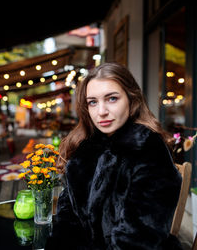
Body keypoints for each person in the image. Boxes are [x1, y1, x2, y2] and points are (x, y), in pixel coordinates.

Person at [46, 62, 183, 249]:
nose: (101, 112)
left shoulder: (148, 148)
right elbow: (67, 218)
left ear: (131, 99)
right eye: (93, 102)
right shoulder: (85, 148)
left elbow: (138, 239)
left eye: (111, 99)